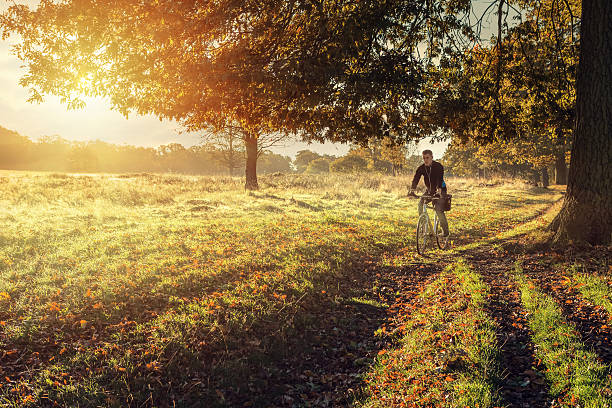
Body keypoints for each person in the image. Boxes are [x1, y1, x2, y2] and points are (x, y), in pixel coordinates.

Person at [408, 149, 449, 237]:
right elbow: (416, 178)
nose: (425, 160)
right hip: (429, 190)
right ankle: (423, 227)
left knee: (438, 209)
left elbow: (439, 179)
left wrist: (439, 191)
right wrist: (412, 190)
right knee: (420, 204)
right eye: (424, 158)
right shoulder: (422, 168)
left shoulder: (438, 166)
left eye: (427, 158)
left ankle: (445, 231)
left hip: (441, 189)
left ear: (432, 157)